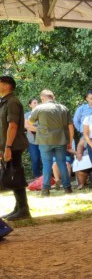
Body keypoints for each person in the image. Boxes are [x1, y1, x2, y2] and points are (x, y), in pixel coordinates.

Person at [28, 89, 74, 196]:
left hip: (44, 141)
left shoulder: (39, 108)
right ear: (53, 97)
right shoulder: (63, 108)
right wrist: (70, 141)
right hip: (60, 140)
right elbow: (70, 126)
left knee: (47, 164)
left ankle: (45, 189)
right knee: (62, 163)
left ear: (42, 98)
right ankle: (67, 188)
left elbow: (30, 121)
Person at [0, 76, 31, 220]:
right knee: (12, 174)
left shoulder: (12, 101)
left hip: (14, 145)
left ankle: (23, 209)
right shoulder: (5, 101)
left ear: (7, 86)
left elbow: (13, 126)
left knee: (15, 174)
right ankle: (18, 207)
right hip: (8, 145)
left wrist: (8, 147)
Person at [23, 98, 42, 179]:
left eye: (37, 102)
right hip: (32, 141)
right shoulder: (26, 115)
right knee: (35, 159)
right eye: (34, 103)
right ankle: (37, 177)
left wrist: (33, 128)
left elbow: (45, 126)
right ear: (30, 105)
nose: (37, 104)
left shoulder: (42, 114)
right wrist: (39, 129)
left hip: (43, 140)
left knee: (45, 159)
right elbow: (26, 126)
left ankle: (47, 177)